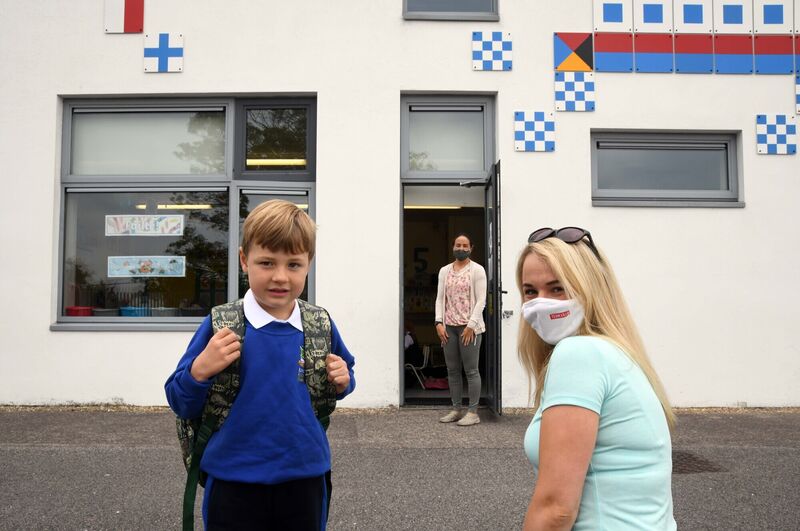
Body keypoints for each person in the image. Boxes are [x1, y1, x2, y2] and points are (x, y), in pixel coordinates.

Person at [165, 200, 356, 530]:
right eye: (266, 262)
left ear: (308, 263)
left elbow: (341, 379)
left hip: (305, 475)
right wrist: (200, 370)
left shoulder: (319, 323)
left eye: (294, 265)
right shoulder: (221, 325)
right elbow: (180, 400)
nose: (280, 277)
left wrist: (344, 380)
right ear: (244, 260)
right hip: (232, 479)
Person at [517, 227, 676, 530]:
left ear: (588, 288)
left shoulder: (579, 354)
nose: (542, 302)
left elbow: (556, 510)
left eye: (558, 287)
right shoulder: (615, 353)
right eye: (530, 291)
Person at [434, 233, 487, 426]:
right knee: (453, 370)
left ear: (471, 248)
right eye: (458, 245)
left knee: (471, 371)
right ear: (453, 247)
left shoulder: (477, 270)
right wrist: (439, 323)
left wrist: (471, 325)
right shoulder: (444, 271)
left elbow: (481, 300)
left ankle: (473, 412)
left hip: (469, 329)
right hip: (449, 328)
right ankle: (456, 409)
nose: (461, 248)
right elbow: (440, 298)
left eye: (465, 245)